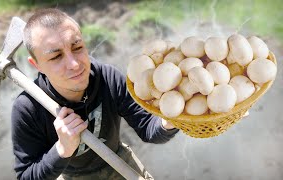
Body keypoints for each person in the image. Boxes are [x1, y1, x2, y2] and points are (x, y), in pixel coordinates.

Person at [11, 8, 179, 180]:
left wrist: (170, 119)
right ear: (37, 65)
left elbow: (148, 128)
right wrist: (62, 150)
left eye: (77, 47)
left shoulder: (107, 78)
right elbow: (26, 176)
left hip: (121, 163)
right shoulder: (28, 108)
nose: (74, 64)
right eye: (56, 57)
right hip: (70, 176)